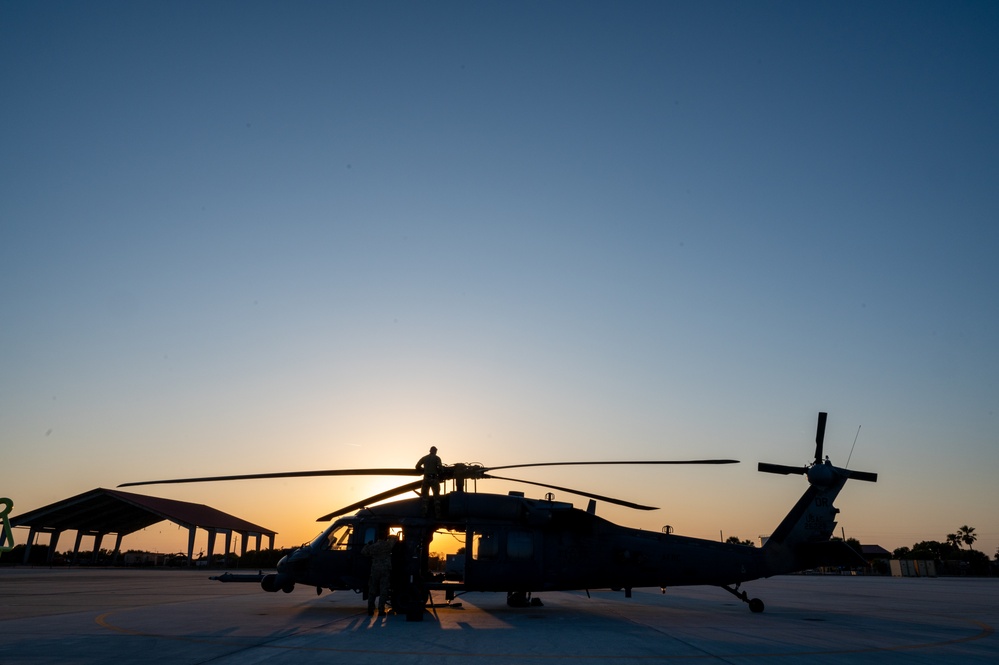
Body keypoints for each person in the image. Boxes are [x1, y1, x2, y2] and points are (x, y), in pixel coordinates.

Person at [362, 534, 397, 616]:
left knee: (372, 590)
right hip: (385, 570)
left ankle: (370, 609)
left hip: (375, 570)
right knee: (383, 591)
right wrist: (389, 536)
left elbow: (363, 552)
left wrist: (368, 544)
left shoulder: (374, 546)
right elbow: (395, 539)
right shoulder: (387, 545)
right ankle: (381, 610)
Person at [415, 446, 443, 517]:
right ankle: (437, 515)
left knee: (424, 497)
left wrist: (424, 470)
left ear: (430, 450)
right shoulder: (437, 458)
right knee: (436, 497)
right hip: (434, 479)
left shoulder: (424, 458)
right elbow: (440, 468)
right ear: (435, 451)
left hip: (426, 479)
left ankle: (424, 514)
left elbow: (417, 466)